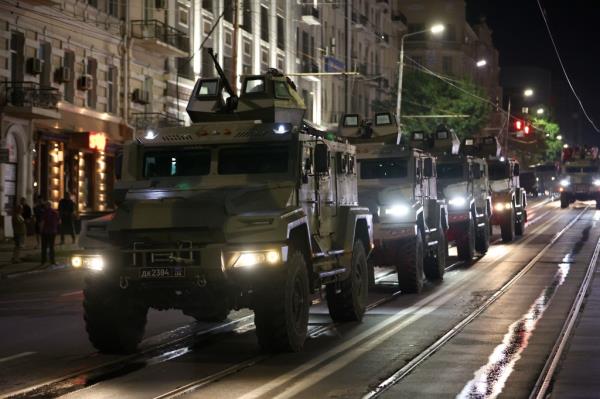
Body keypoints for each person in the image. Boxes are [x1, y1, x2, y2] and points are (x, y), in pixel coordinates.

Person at [40, 201, 59, 266]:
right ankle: (52, 261)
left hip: (45, 231)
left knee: (44, 247)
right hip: (53, 231)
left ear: (46, 206)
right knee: (51, 247)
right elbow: (58, 222)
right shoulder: (55, 212)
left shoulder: (44, 212)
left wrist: (41, 230)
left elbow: (42, 222)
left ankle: (43, 261)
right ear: (51, 205)